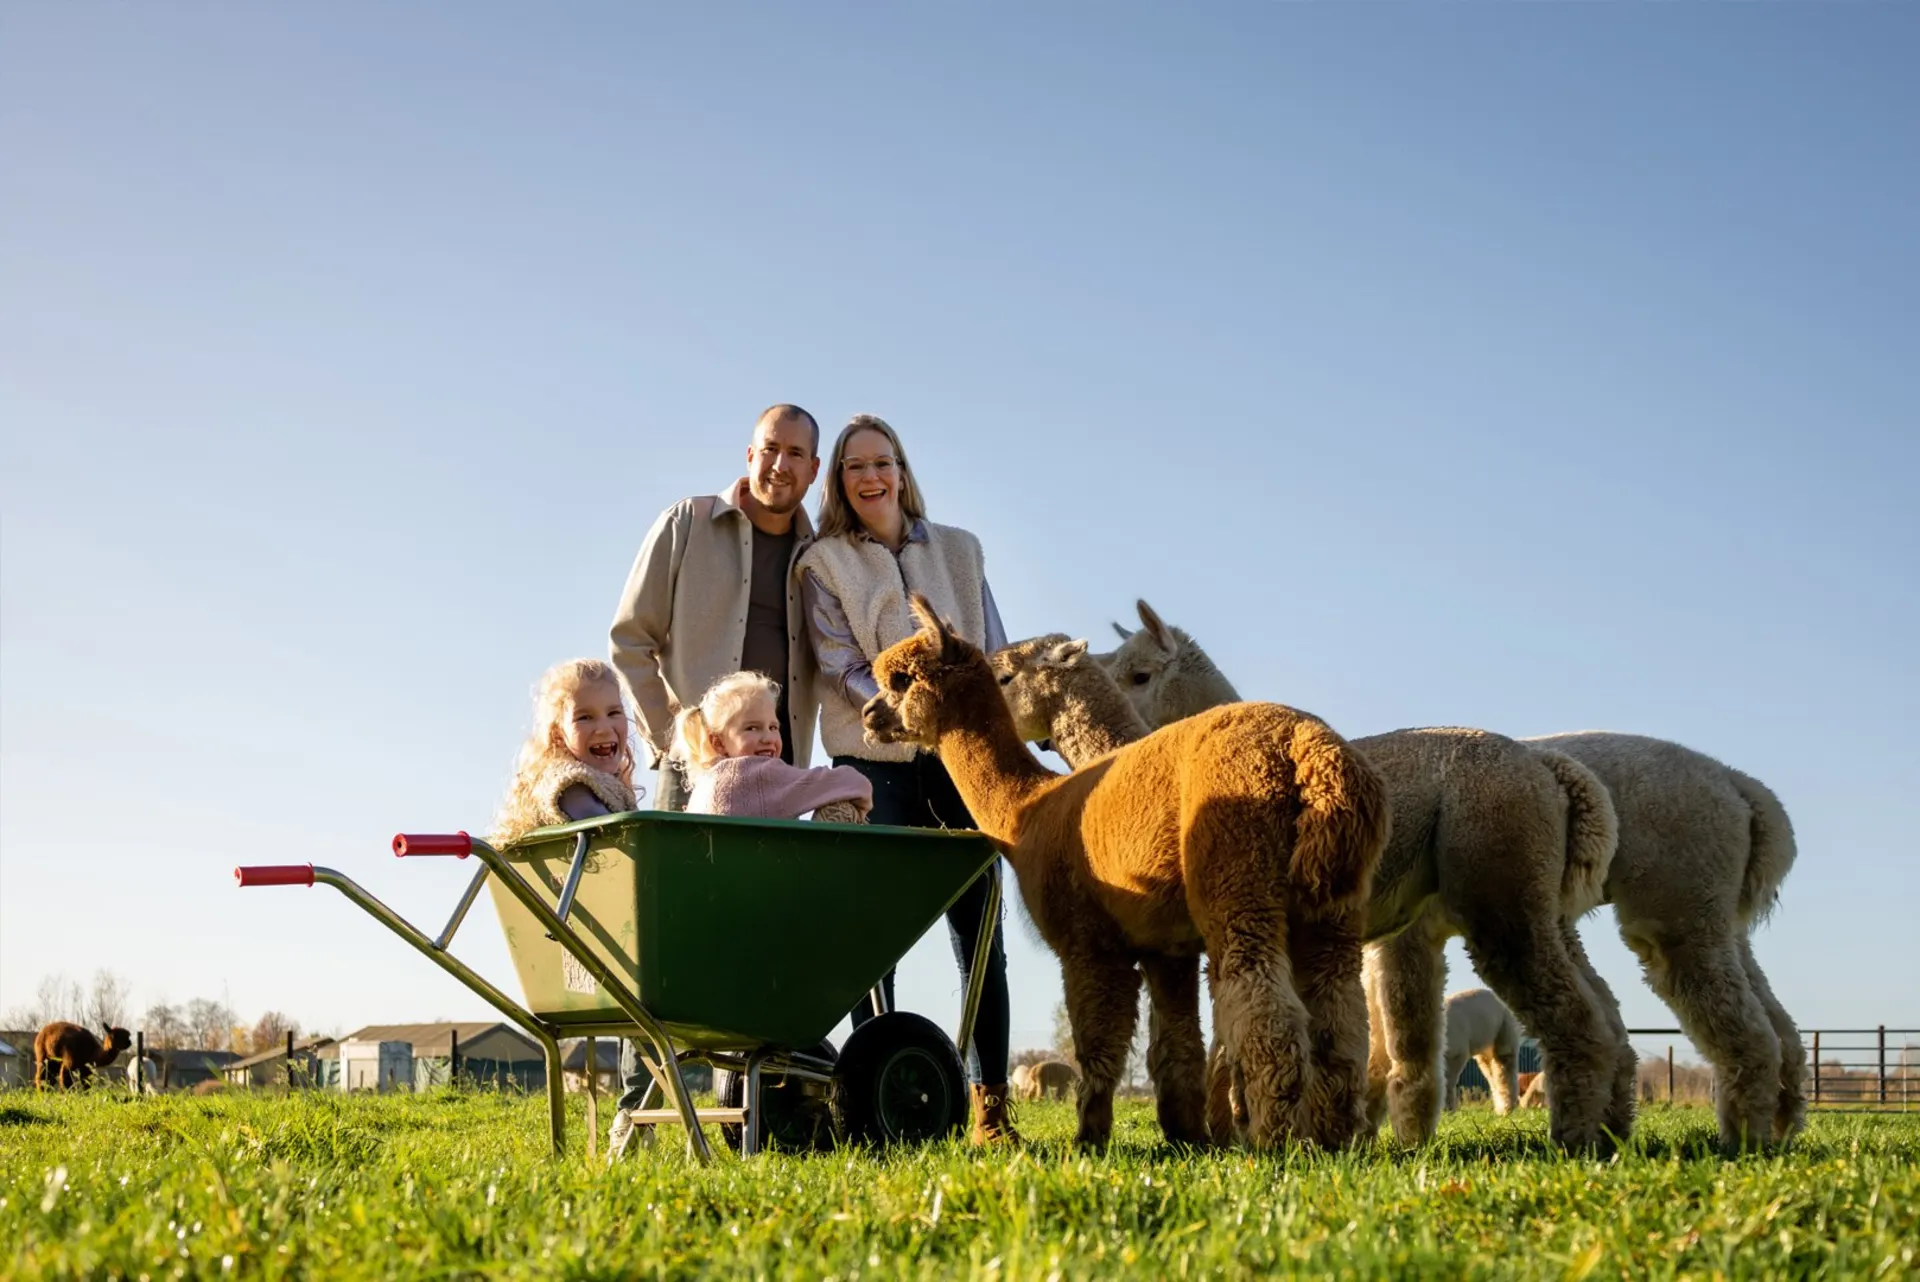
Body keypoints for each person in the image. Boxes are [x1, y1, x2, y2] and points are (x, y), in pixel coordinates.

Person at [796, 414, 1020, 1146]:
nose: (872, 477)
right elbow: (841, 666)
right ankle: (874, 1092)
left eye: (882, 462)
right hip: (872, 761)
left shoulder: (961, 551)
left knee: (980, 924)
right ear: (838, 481)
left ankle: (992, 1107)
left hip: (960, 763)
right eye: (855, 466)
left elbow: (991, 649)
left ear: (901, 469)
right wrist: (913, 710)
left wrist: (967, 721)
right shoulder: (824, 563)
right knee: (873, 932)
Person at [609, 404, 824, 811]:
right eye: (770, 449)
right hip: (692, 768)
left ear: (813, 470)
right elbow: (630, 639)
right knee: (680, 876)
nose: (780, 464)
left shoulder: (821, 558)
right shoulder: (687, 522)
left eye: (795, 453)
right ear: (749, 455)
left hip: (780, 772)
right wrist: (672, 739)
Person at [673, 671, 872, 821]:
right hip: (758, 873)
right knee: (841, 805)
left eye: (773, 727)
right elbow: (855, 783)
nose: (768, 738)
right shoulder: (754, 772)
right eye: (752, 728)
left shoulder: (707, 779)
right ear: (718, 742)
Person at [489, 658, 640, 846]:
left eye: (613, 713)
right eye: (585, 717)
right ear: (557, 733)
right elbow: (611, 836)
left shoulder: (611, 784)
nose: (604, 728)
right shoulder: (568, 783)